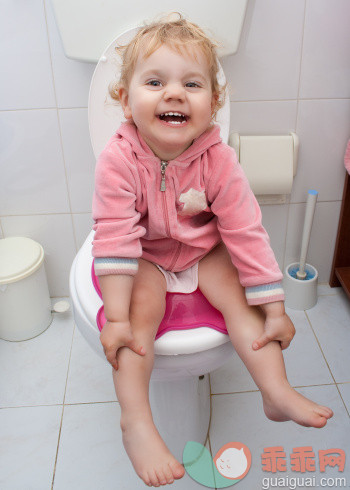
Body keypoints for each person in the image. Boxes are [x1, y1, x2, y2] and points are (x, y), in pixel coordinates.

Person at [92, 13, 333, 487]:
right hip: (146, 256)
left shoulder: (219, 160)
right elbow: (115, 236)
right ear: (125, 100)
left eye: (192, 83)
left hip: (204, 251)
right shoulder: (117, 160)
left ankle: (276, 390)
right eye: (155, 81)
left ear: (214, 103)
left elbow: (246, 233)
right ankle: (136, 421)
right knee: (138, 317)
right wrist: (115, 316)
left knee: (245, 305)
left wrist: (277, 307)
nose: (175, 92)